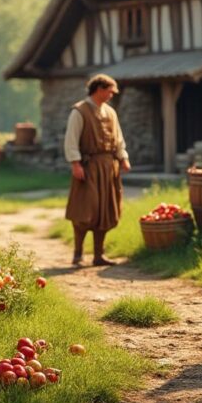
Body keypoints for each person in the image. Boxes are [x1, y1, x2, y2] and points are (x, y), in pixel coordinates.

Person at [63, 74, 131, 266]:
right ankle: (78, 254)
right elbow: (71, 140)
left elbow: (118, 139)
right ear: (99, 89)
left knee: (106, 210)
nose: (112, 95)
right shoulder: (79, 111)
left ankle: (98, 255)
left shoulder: (110, 112)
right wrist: (75, 163)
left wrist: (123, 157)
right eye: (110, 91)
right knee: (85, 210)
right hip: (88, 167)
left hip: (109, 168)